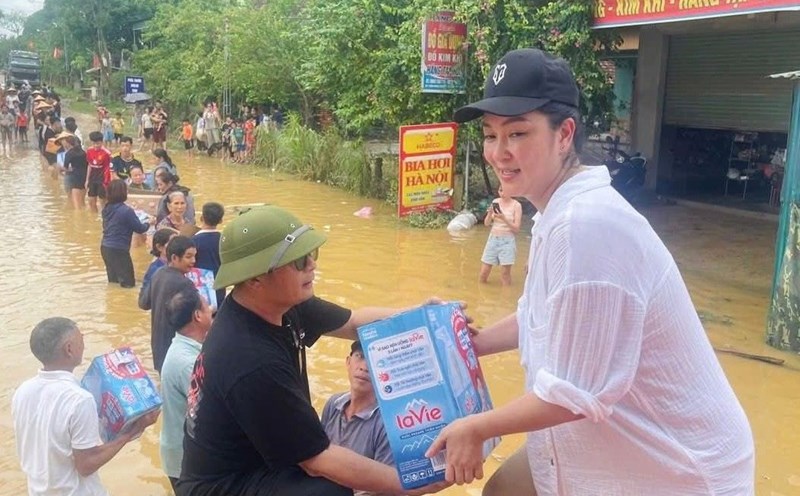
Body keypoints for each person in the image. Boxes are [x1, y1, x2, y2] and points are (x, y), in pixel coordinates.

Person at [425, 48, 755, 495]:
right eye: (490, 135)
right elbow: (539, 315)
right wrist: (472, 345)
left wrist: (477, 427)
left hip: (674, 470)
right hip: (610, 448)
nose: (499, 153)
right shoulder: (555, 214)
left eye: (518, 133)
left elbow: (575, 392)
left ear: (565, 134)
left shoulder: (587, 226)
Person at [178, 205, 448, 496]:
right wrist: (412, 482)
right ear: (255, 278)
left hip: (257, 454)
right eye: (297, 261)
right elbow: (318, 460)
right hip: (225, 484)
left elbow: (355, 323)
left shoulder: (280, 303)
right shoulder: (250, 358)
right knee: (330, 491)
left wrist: (422, 319)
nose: (311, 265)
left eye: (311, 255)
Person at [12, 317, 159, 495]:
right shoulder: (79, 399)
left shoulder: (22, 391)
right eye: (80, 337)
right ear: (69, 349)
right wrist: (130, 431)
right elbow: (86, 464)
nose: (84, 341)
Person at [320, 340, 394, 496]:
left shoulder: (388, 422)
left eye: (374, 361)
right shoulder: (333, 404)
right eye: (359, 356)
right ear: (348, 362)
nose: (364, 367)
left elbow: (388, 489)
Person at [160, 288, 213, 491]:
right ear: (198, 316)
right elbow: (210, 409)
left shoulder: (188, 348)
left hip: (181, 450)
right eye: (207, 306)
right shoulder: (186, 363)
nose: (211, 309)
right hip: (184, 457)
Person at [138, 235, 197, 373]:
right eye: (188, 256)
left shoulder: (158, 273)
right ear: (175, 258)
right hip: (176, 350)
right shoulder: (185, 284)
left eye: (194, 256)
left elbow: (143, 304)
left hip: (158, 347)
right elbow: (195, 319)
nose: (193, 261)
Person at [101, 180, 154, 288]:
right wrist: (149, 222)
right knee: (129, 284)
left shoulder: (106, 208)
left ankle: (113, 302)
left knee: (113, 282)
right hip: (119, 249)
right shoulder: (126, 210)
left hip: (105, 247)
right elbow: (139, 229)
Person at [479, 185, 522, 286]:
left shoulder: (516, 205)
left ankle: (505, 298)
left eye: (505, 191)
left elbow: (516, 229)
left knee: (505, 274)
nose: (502, 193)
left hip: (507, 241)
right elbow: (486, 224)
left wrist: (504, 218)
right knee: (483, 273)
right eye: (500, 190)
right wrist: (489, 214)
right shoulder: (495, 202)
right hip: (493, 239)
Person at [193, 201, 225, 307]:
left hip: (200, 288)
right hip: (219, 286)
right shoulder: (224, 240)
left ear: (201, 218)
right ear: (221, 220)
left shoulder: (193, 241)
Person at [140, 227, 179, 299]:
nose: (177, 247)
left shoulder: (176, 266)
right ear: (159, 247)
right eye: (172, 244)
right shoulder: (156, 270)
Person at [85, 131, 112, 213]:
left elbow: (108, 169)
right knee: (91, 201)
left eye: (98, 143)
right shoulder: (89, 151)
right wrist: (87, 180)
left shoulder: (107, 153)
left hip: (102, 179)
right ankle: (93, 220)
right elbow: (89, 165)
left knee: (103, 202)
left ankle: (104, 219)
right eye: (94, 143)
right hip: (92, 178)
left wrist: (107, 182)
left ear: (102, 142)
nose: (96, 145)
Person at [61, 135, 88, 209]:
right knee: (82, 202)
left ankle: (77, 218)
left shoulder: (69, 153)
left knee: (76, 205)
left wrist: (61, 169)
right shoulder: (83, 152)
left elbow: (65, 167)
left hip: (75, 177)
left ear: (68, 143)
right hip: (84, 176)